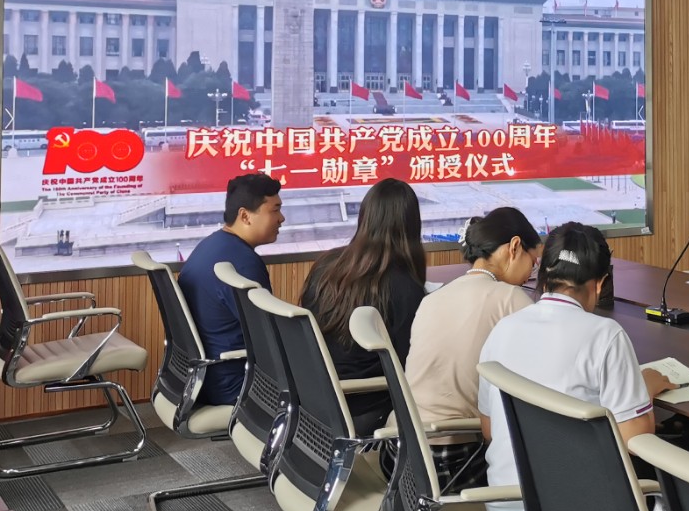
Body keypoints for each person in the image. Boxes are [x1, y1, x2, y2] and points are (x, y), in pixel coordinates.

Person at [477, 222, 674, 511]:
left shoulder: (503, 329)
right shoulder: (606, 335)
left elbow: (490, 429)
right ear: (599, 284)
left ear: (543, 276)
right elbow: (636, 440)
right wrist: (644, 390)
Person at [404, 208, 541, 486]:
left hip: (403, 455)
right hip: (454, 461)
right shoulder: (510, 298)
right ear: (515, 247)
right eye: (533, 260)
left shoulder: (433, 297)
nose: (532, 272)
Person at [301, 178, 427, 436]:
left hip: (316, 398)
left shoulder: (326, 266)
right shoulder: (404, 288)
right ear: (412, 225)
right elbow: (410, 367)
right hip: (366, 406)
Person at [177, 173, 284, 407]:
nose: (281, 218)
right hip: (237, 383)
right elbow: (269, 338)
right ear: (245, 216)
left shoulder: (212, 245)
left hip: (204, 376)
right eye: (275, 210)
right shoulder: (243, 264)